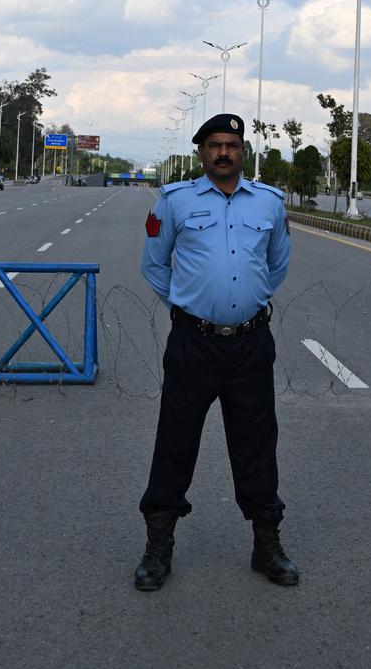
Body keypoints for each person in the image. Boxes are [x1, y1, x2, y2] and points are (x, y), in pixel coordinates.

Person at [135, 112, 296, 591]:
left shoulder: (269, 203)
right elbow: (154, 265)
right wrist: (191, 306)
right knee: (175, 442)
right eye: (214, 145)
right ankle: (158, 546)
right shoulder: (175, 201)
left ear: (243, 151)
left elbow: (277, 265)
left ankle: (266, 543)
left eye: (231, 144)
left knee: (257, 443)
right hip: (192, 344)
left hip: (250, 344)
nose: (223, 152)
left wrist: (242, 304)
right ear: (200, 152)